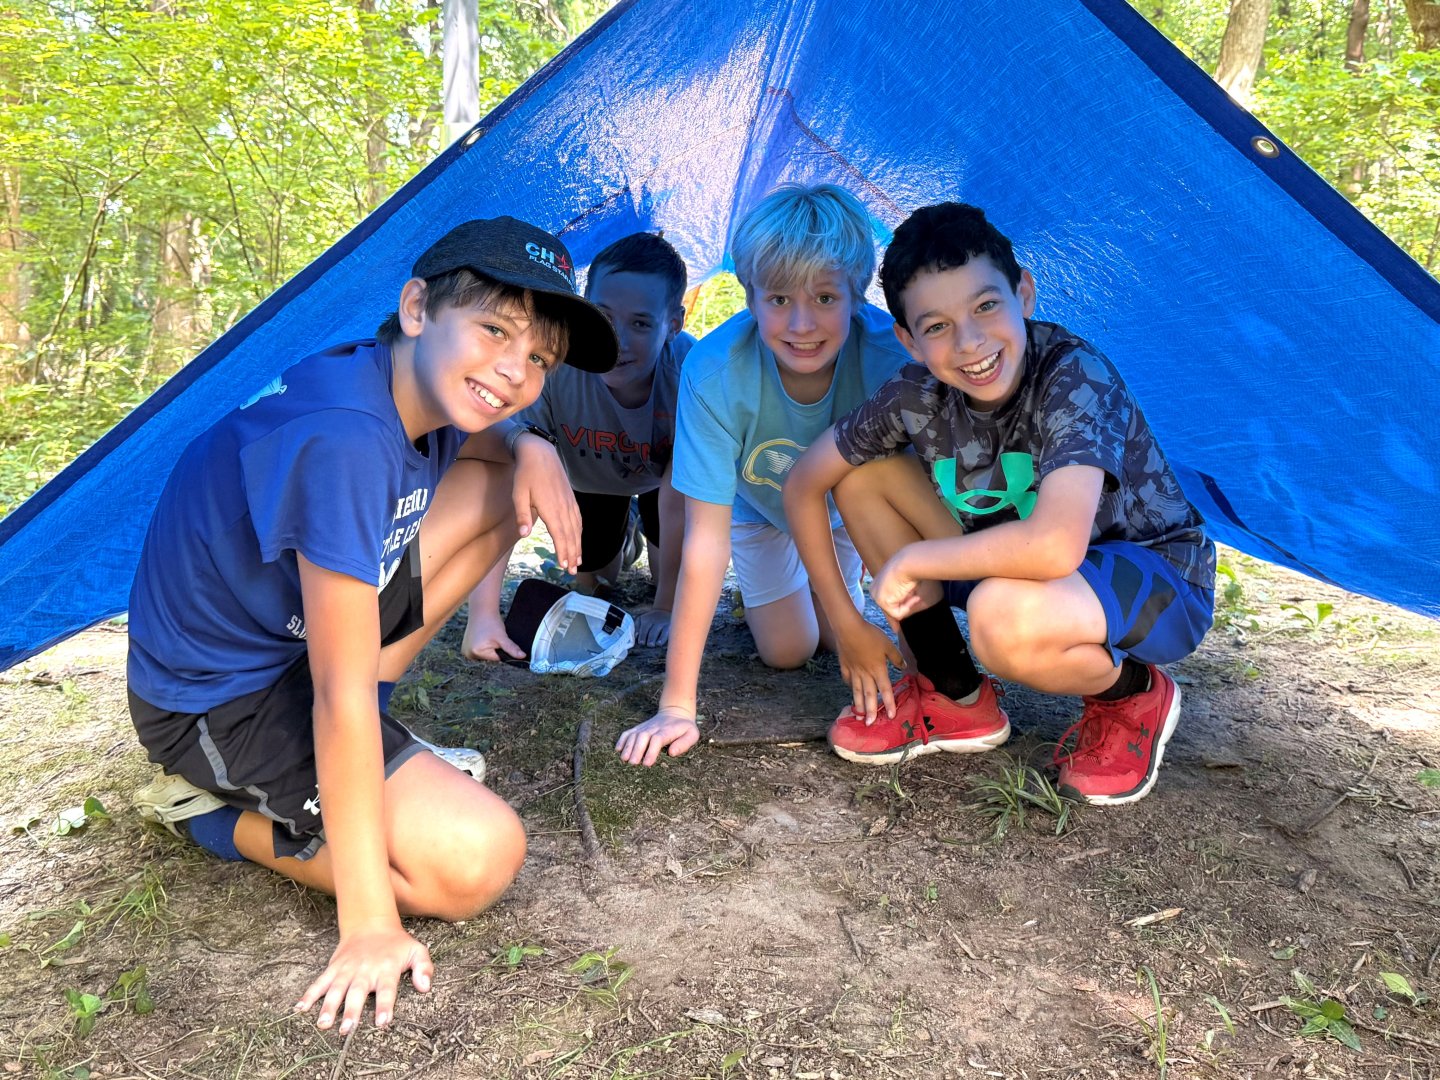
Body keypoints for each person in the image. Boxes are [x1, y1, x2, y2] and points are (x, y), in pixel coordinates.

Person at [124, 217, 616, 1032]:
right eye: (494, 330)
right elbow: (338, 695)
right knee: (475, 862)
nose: (513, 370)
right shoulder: (348, 438)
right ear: (417, 306)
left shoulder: (406, 383)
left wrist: (535, 447)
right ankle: (211, 817)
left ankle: (368, 772)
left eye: (539, 359)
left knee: (500, 489)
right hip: (216, 702)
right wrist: (368, 925)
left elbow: (494, 448)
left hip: (296, 651)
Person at [783, 202, 1215, 806]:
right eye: (936, 326)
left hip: (1156, 578)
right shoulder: (916, 393)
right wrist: (846, 622)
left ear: (1025, 294)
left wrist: (915, 564)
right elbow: (804, 481)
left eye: (986, 306)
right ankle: (954, 697)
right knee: (863, 478)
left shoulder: (1073, 375)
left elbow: (1056, 546)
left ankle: (1133, 694)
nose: (970, 342)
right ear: (907, 339)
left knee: (1001, 616)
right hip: (1024, 568)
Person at [615, 184, 909, 767]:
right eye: (778, 298)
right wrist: (677, 705)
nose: (802, 324)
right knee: (788, 651)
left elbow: (917, 502)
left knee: (836, 634)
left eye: (826, 297)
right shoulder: (715, 371)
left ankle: (898, 656)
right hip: (760, 512)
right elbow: (705, 537)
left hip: (853, 508)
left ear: (857, 293)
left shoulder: (892, 356)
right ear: (749, 296)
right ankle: (781, 599)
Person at [460, 232, 694, 659]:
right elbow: (506, 476)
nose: (619, 340)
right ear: (587, 305)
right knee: (596, 583)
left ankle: (643, 523)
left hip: (666, 488)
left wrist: (665, 607)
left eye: (641, 323)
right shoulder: (553, 365)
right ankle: (624, 534)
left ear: (672, 325)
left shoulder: (691, 372)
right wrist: (484, 613)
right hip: (588, 481)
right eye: (605, 316)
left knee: (668, 583)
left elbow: (685, 490)